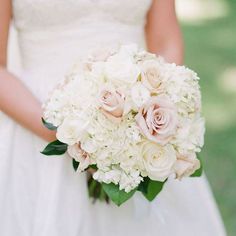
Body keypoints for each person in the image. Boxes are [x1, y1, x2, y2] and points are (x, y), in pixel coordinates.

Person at [0, 0, 226, 235]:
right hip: (34, 118)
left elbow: (166, 44)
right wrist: (63, 131)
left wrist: (146, 113)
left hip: (138, 118)